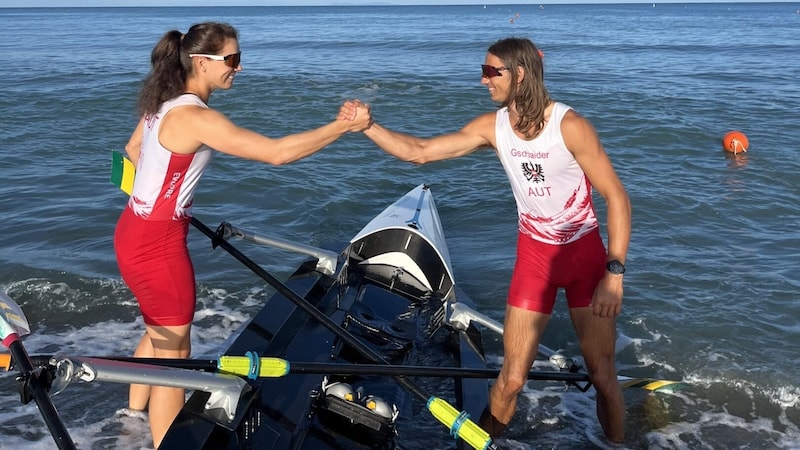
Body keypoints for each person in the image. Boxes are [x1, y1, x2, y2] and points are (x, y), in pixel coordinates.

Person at [358, 37, 630, 444]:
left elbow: (616, 196)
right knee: (511, 379)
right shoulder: (493, 126)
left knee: (602, 375)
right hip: (535, 258)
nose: (483, 80)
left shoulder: (569, 126)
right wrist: (369, 127)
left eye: (490, 71)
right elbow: (422, 151)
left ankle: (617, 444)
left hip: (584, 260)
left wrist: (614, 274)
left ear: (518, 74)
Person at [113, 22, 370, 448]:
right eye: (231, 59)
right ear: (201, 62)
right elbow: (276, 153)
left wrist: (161, 194)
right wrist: (341, 127)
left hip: (132, 232)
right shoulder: (196, 116)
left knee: (159, 330)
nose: (239, 67)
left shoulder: (163, 102)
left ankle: (131, 415)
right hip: (159, 248)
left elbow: (135, 151)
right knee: (175, 361)